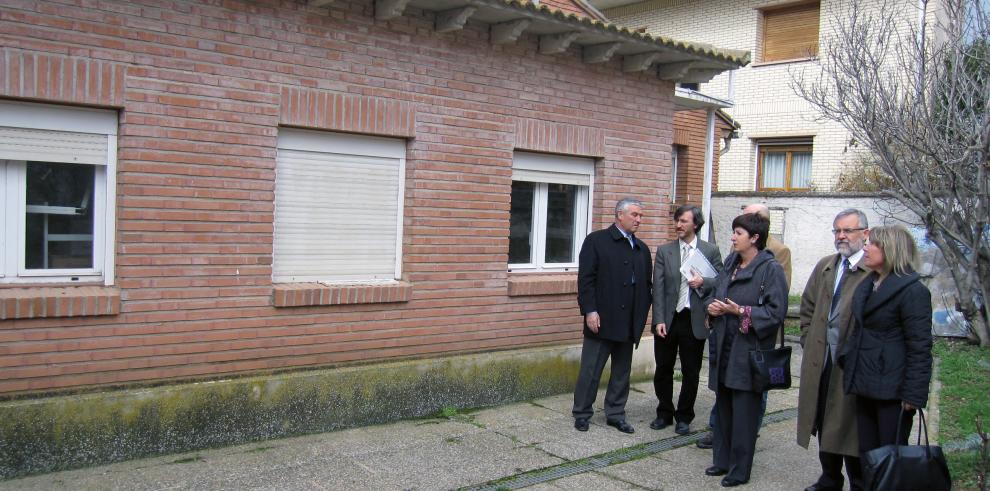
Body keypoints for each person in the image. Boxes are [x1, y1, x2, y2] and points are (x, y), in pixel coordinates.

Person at [698, 202, 792, 450]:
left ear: (755, 235)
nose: (733, 237)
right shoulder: (731, 262)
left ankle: (740, 459)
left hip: (751, 351)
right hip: (726, 346)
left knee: (746, 411)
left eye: (739, 232)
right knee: (725, 404)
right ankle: (722, 455)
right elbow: (716, 289)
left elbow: (776, 310)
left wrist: (740, 311)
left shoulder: (771, 265)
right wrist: (711, 307)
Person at [839, 225, 933, 459]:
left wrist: (913, 395)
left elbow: (920, 346)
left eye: (872, 244)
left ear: (890, 250)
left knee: (890, 457)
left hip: (893, 391)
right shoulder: (869, 284)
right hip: (866, 382)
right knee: (868, 456)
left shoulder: (913, 292)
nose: (866, 248)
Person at [797, 209, 872, 491]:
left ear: (865, 234)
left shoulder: (871, 268)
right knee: (821, 416)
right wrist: (808, 338)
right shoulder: (827, 265)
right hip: (822, 359)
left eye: (848, 231)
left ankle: (859, 481)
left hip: (851, 364)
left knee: (849, 423)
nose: (841, 236)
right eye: (837, 231)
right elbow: (807, 306)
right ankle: (829, 477)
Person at [573, 198, 653, 434]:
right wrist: (590, 310)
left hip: (629, 323)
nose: (639, 220)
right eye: (635, 215)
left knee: (622, 372)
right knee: (591, 370)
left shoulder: (642, 249)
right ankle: (582, 413)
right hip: (601, 320)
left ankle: (616, 413)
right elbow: (586, 280)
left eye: (640, 216)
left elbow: (645, 285)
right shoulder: (596, 241)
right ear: (620, 215)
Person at [650, 204, 723, 435]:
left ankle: (684, 416)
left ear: (695, 224)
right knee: (663, 368)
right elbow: (658, 288)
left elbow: (721, 281)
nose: (678, 225)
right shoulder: (665, 251)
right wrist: (658, 318)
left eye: (683, 221)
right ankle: (664, 412)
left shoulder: (710, 250)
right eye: (677, 221)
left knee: (691, 372)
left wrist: (704, 282)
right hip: (669, 319)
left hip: (695, 318)